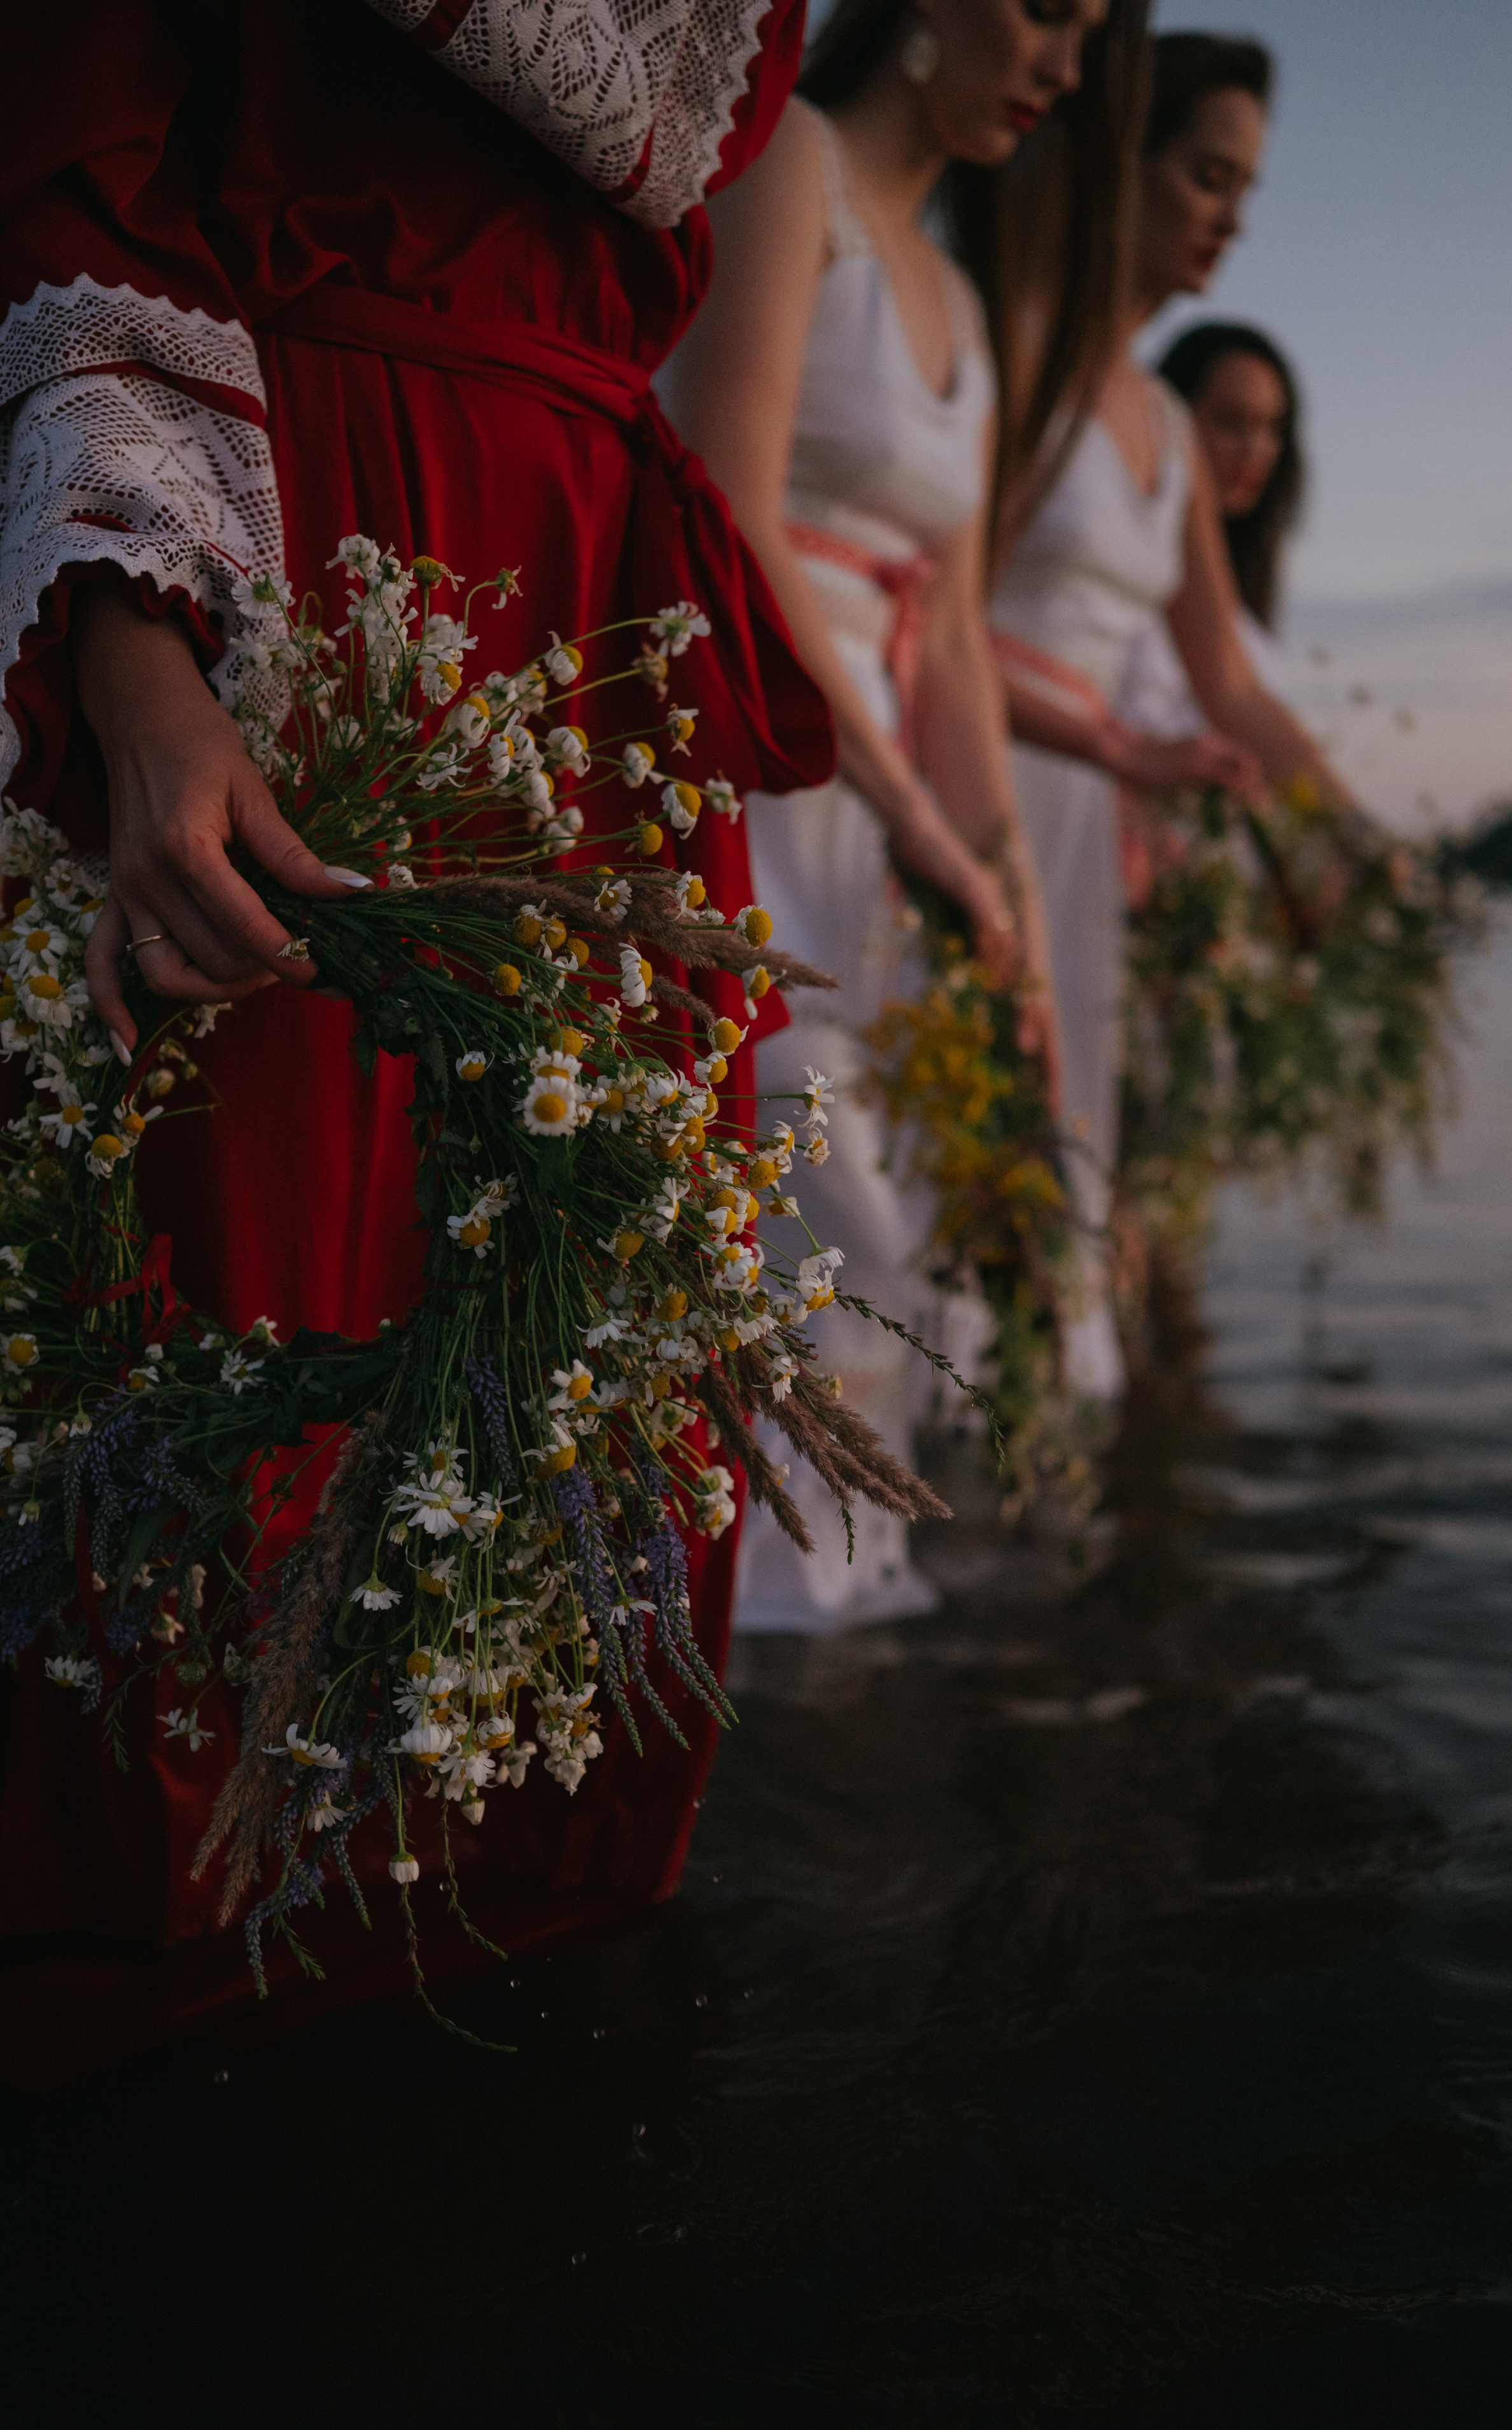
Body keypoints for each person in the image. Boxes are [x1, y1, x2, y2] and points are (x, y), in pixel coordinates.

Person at [0, 0, 835, 2068]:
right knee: (242, 1292)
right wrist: (135, 644)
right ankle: (206, 2007)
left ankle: (501, 1884)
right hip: (301, 515)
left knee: (589, 1327)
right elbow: (68, 163)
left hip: (588, 601)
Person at [666, 0, 1144, 1632]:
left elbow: (943, 635)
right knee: (816, 1196)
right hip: (750, 757)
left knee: (896, 1244)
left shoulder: (961, 295)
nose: (1066, 69)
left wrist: (990, 883)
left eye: (1089, 30)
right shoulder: (780, 157)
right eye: (1040, 12)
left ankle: (839, 1643)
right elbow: (725, 503)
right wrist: (913, 824)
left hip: (888, 824)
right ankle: (758, 1651)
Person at [974, 31, 1350, 1402]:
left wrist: (1348, 845)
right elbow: (931, 608)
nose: (1227, 217)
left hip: (1086, 817)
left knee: (1073, 1174)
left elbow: (1229, 683)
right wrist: (1118, 750)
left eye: (1243, 189)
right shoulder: (1003, 345)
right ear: (1114, 156)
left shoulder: (1168, 435)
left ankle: (1041, 1511)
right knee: (952, 1149)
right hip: (980, 769)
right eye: (1203, 174)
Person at [1117, 319, 1305, 733]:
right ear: (1171, 418)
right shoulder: (1129, 572)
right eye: (1230, 423)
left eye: (1272, 428)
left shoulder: (1241, 607)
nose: (1255, 450)